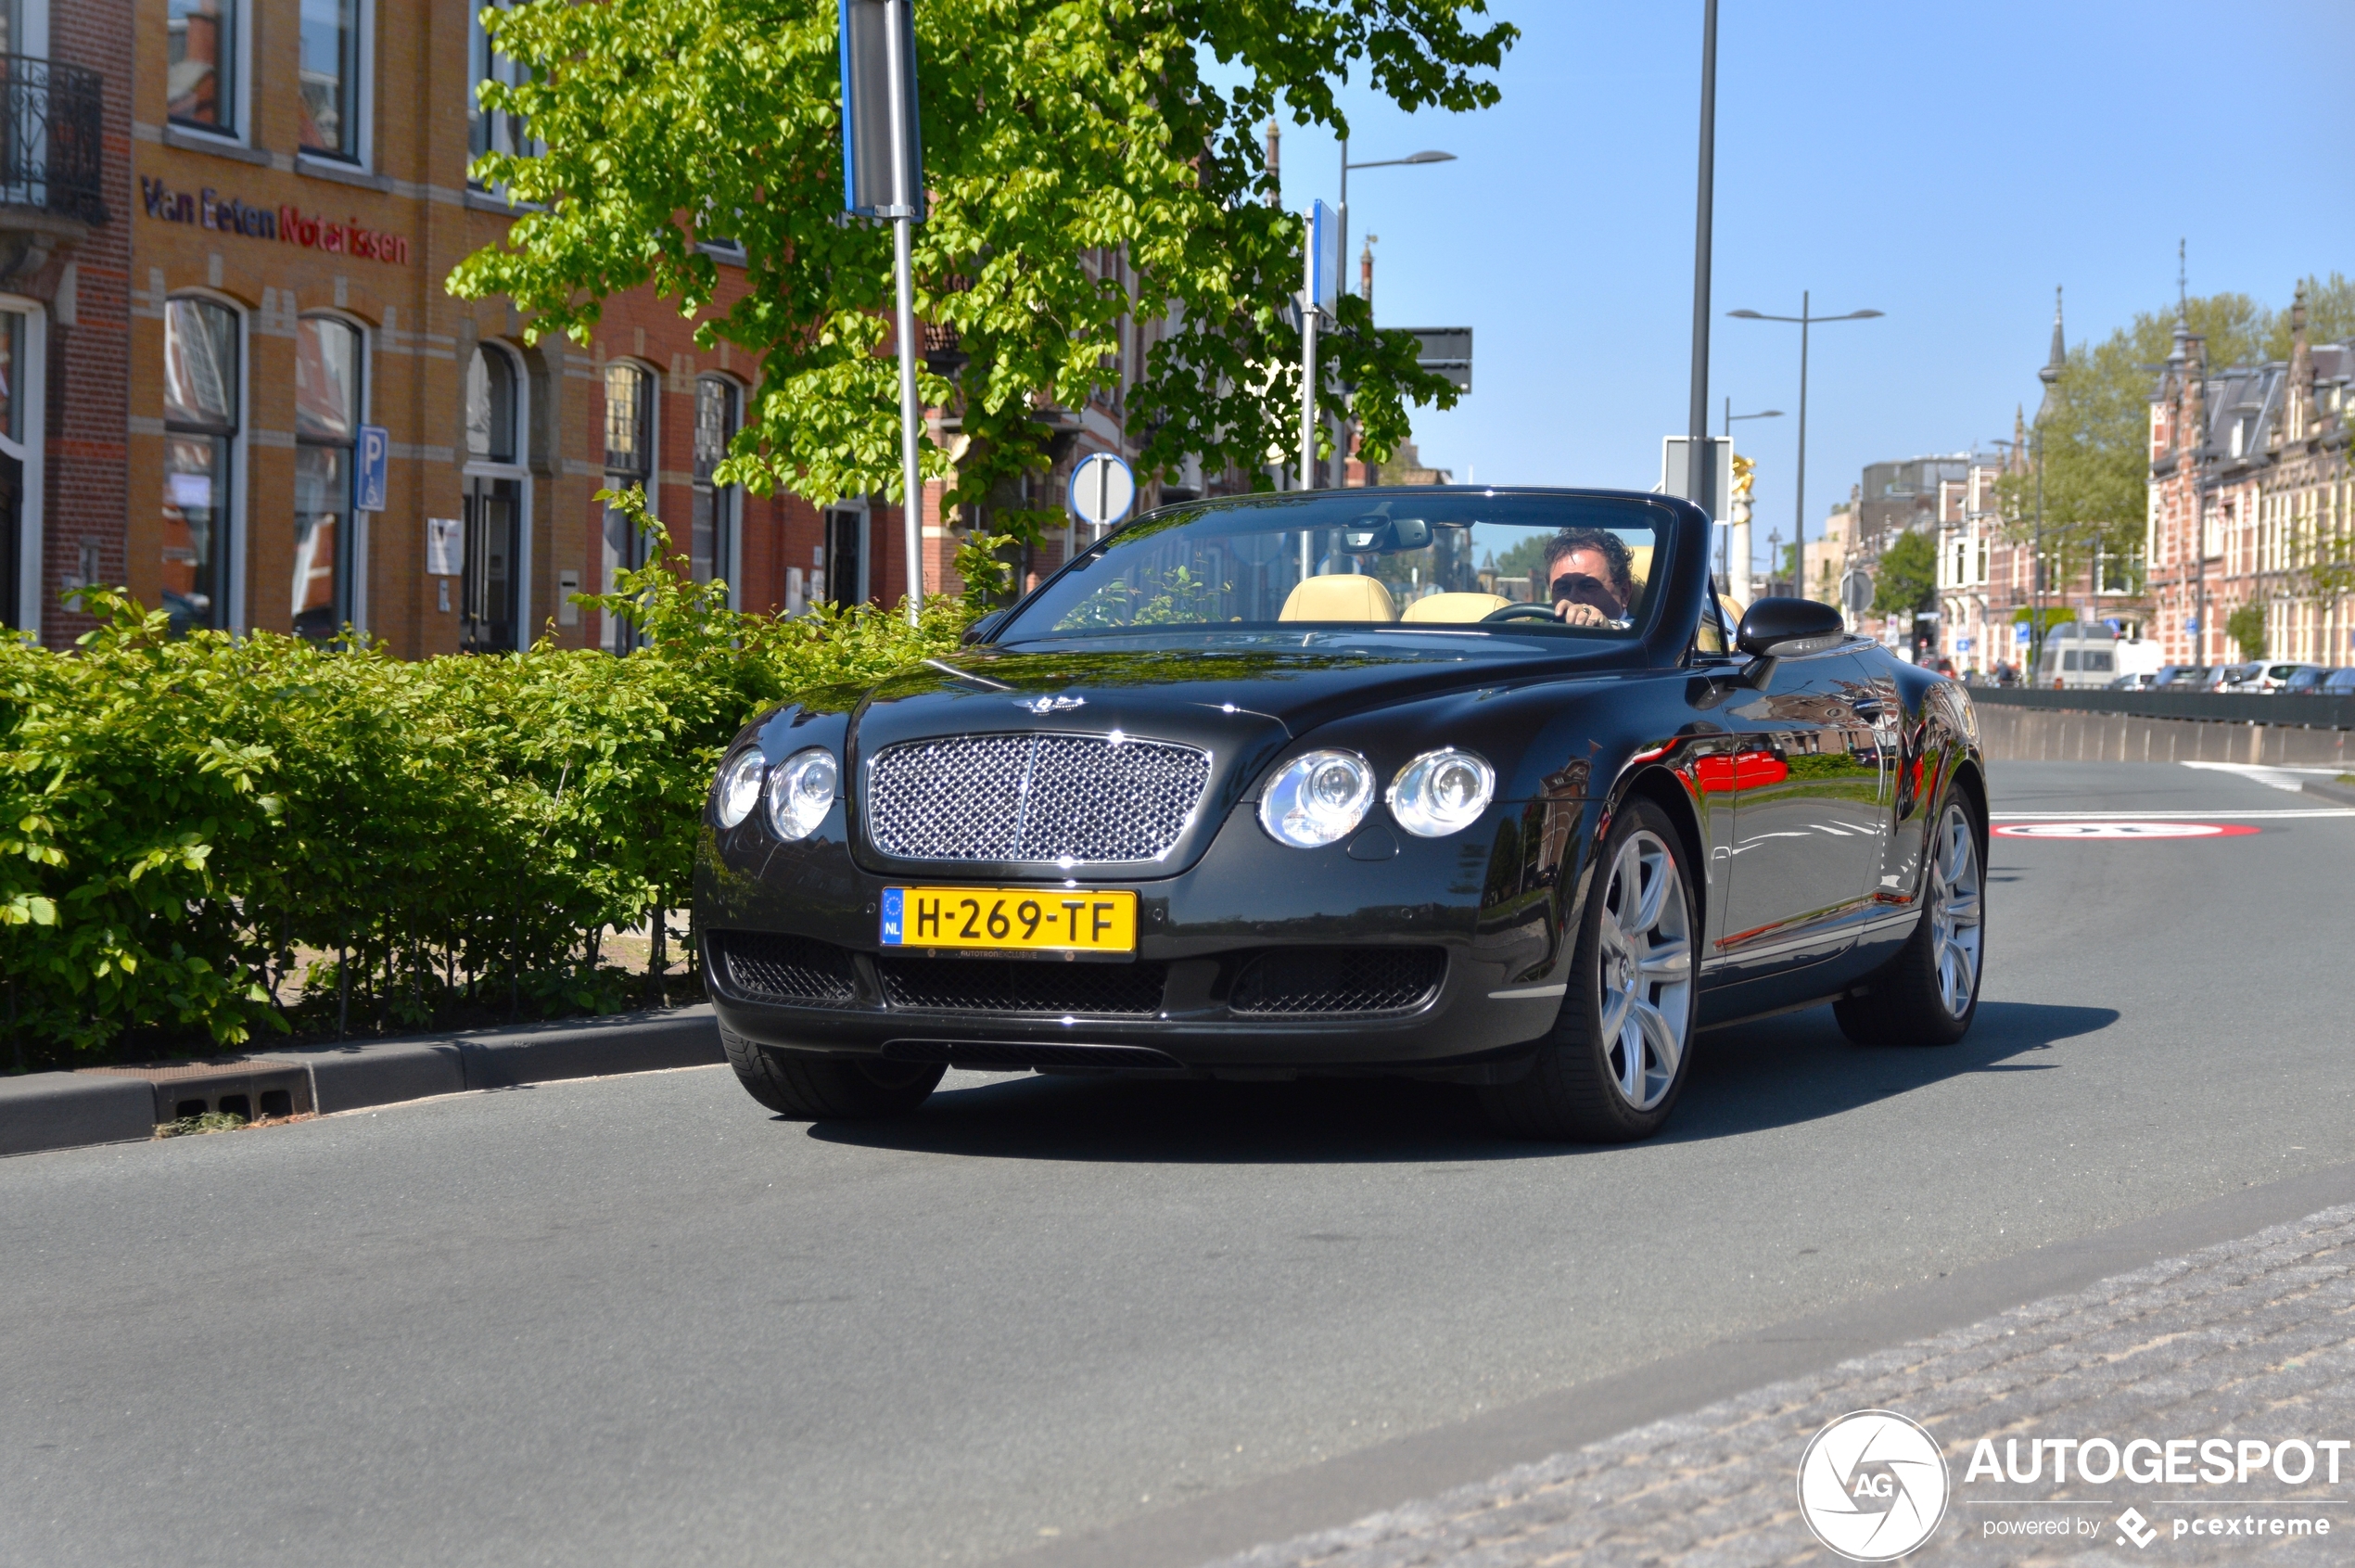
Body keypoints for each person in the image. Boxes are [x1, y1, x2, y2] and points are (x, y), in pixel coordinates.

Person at [1539, 528, 1637, 628]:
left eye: (1588, 586)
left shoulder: (1645, 634)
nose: (1573, 598)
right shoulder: (1539, 634)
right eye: (1562, 588)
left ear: (1624, 593)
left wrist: (1608, 629)